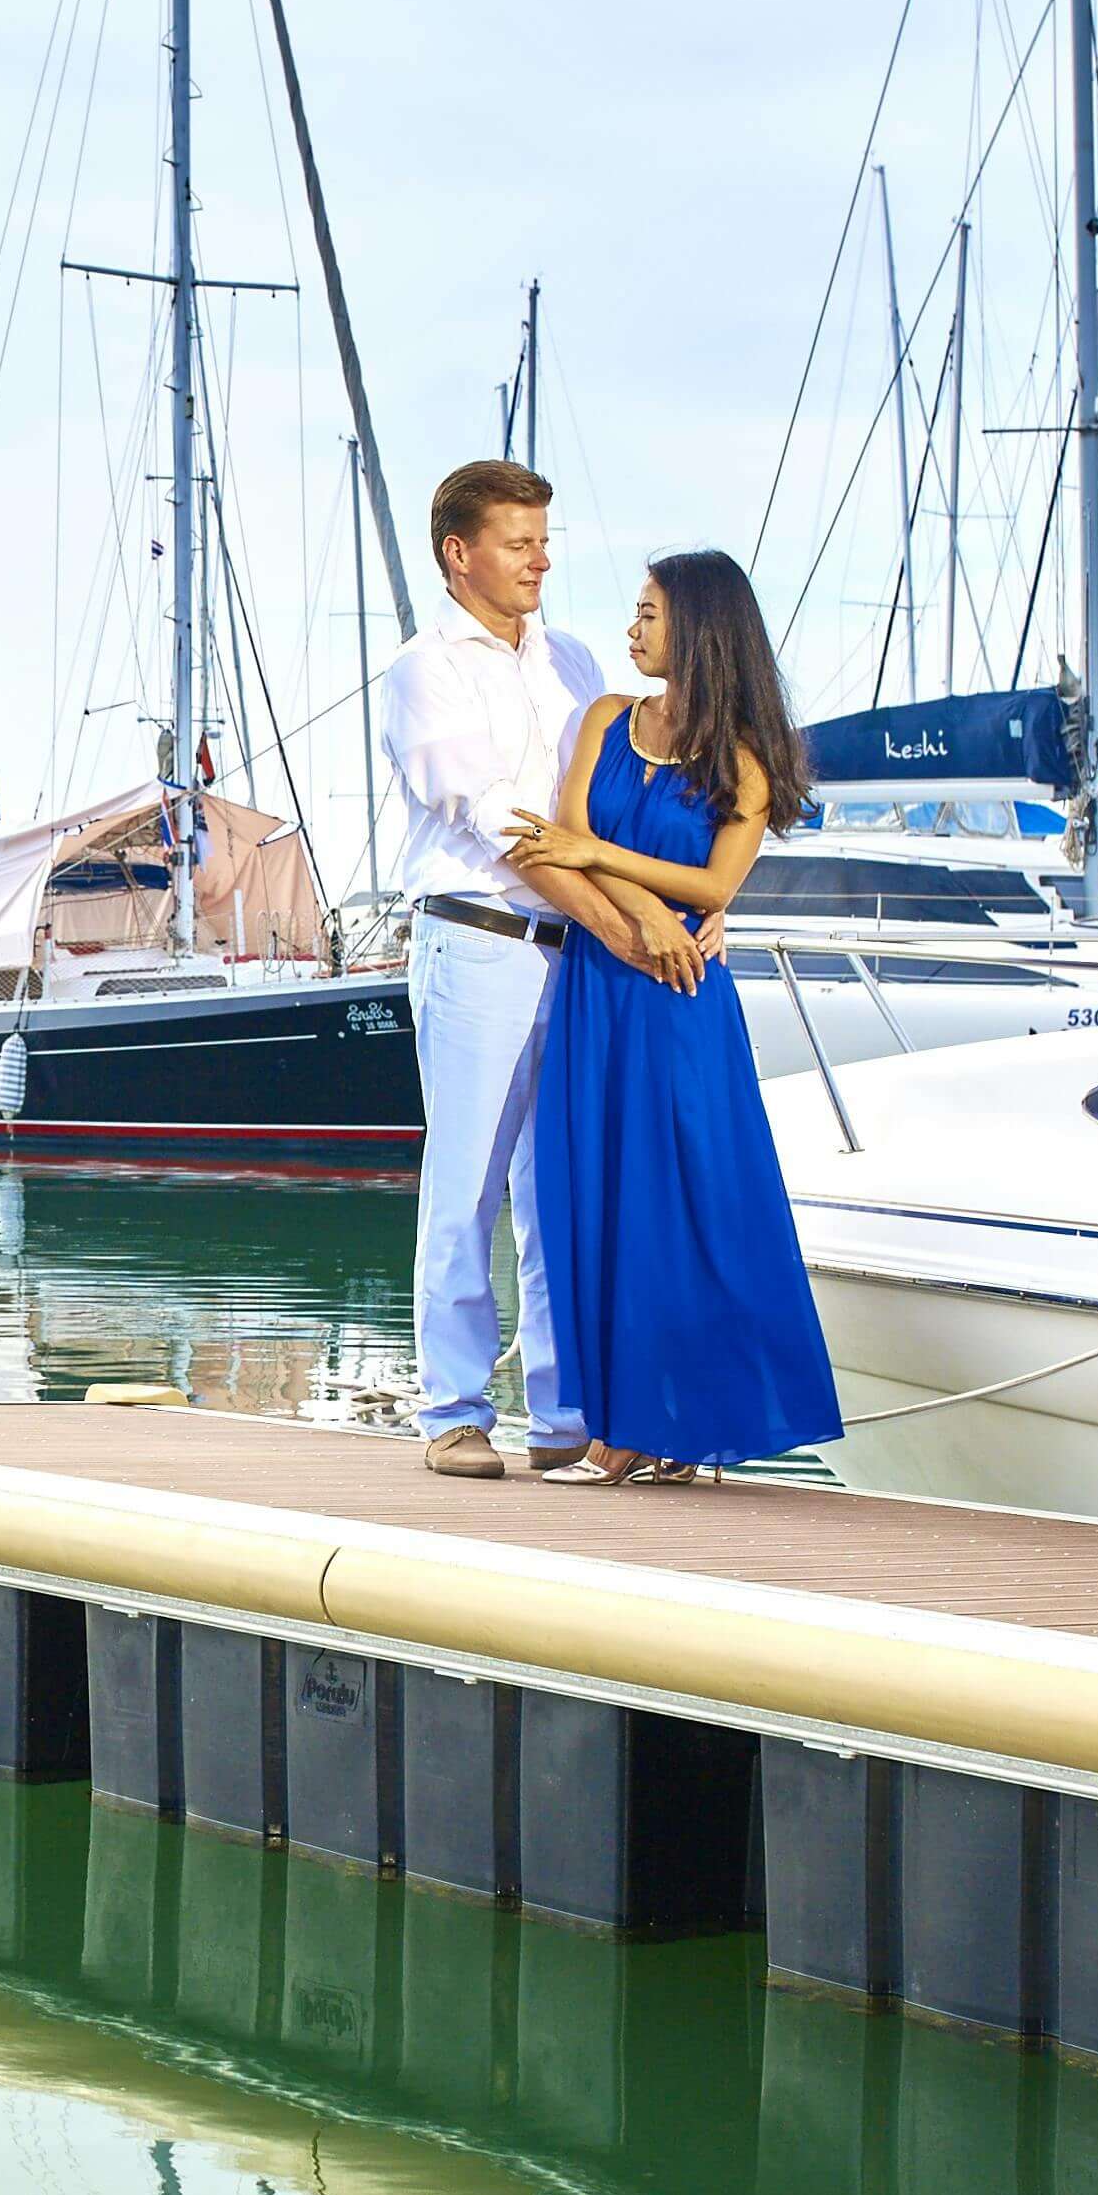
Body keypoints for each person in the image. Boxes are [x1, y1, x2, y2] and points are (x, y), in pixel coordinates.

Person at [375, 463, 712, 1482]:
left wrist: (690, 906)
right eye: (519, 542)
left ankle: (565, 1413)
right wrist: (631, 923)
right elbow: (508, 828)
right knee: (468, 1178)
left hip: (581, 952)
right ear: (459, 552)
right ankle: (452, 1410)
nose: (541, 559)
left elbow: (608, 810)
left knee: (560, 1183)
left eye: (543, 539)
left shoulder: (569, 660)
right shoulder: (422, 669)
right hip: (481, 937)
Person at [503, 553, 844, 1481]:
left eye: (648, 612)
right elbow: (554, 840)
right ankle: (619, 1427)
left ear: (697, 626)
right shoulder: (608, 718)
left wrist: (607, 860)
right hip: (601, 982)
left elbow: (714, 883)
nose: (632, 630)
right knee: (596, 1196)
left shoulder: (743, 760)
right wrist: (641, 904)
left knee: (688, 1206)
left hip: (682, 1000)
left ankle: (674, 1430)